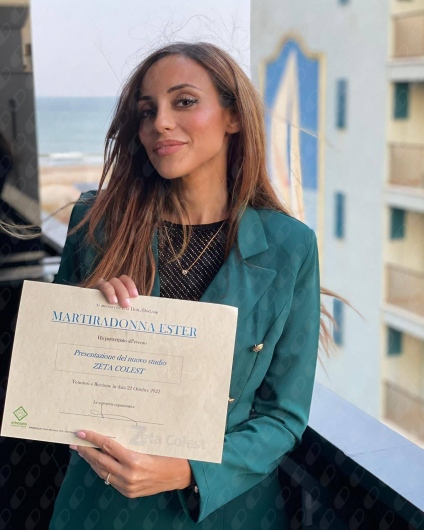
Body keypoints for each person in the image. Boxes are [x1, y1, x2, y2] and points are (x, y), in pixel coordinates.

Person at [49, 41, 322, 529]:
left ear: (233, 116)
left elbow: (283, 415)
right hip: (101, 509)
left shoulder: (290, 246)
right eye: (147, 111)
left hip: (225, 513)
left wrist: (188, 472)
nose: (161, 123)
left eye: (185, 101)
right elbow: (51, 378)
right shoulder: (96, 224)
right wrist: (87, 318)